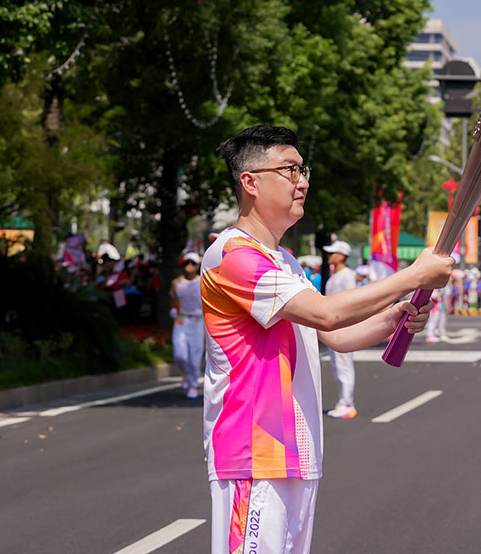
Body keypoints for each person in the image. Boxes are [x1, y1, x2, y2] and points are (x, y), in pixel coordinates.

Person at [200, 125, 453, 554]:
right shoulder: (233, 257)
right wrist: (413, 275)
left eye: (303, 170)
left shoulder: (284, 262)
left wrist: (395, 317)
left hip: (296, 453)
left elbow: (334, 335)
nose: (303, 181)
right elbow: (327, 313)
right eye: (289, 169)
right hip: (253, 455)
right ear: (250, 182)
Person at [322, 239, 358, 419]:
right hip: (333, 327)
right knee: (337, 365)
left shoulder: (347, 275)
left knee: (344, 365)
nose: (330, 256)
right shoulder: (335, 275)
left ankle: (347, 403)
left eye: (333, 253)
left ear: (342, 255)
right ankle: (343, 401)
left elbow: (351, 300)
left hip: (343, 327)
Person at [170, 252, 205, 398]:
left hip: (198, 322)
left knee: (195, 356)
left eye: (192, 263)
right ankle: (186, 373)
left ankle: (194, 385)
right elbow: (172, 297)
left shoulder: (203, 282)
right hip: (182, 320)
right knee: (180, 355)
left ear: (197, 266)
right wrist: (173, 309)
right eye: (187, 263)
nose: (189, 266)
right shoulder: (177, 283)